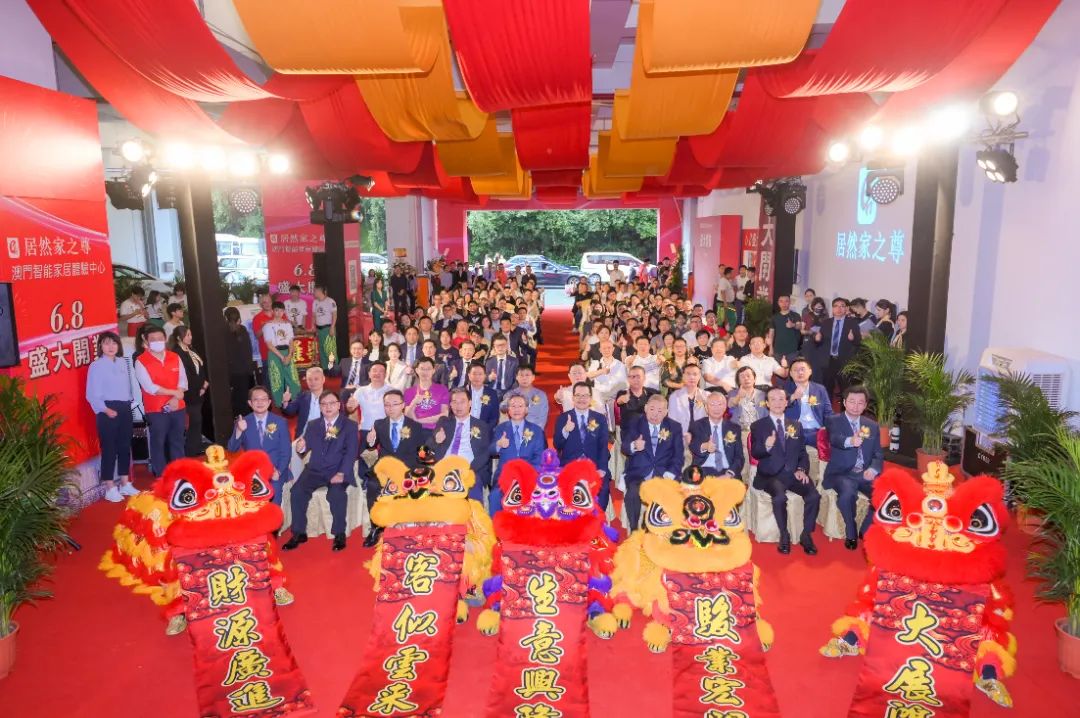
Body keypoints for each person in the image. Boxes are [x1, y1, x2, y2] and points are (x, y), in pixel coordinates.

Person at [282, 392, 359, 552]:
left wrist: (342, 473)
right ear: (320, 407)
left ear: (339, 405)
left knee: (336, 494)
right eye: (324, 404)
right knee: (297, 492)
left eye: (331, 403)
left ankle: (339, 534)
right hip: (315, 469)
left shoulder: (349, 425)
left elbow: (351, 453)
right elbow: (305, 447)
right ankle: (299, 533)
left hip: (337, 470)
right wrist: (301, 447)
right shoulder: (313, 424)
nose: (328, 407)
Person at [750, 387, 820, 556]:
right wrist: (767, 445)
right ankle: (784, 535)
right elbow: (756, 453)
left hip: (793, 473)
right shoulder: (758, 426)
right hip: (770, 475)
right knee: (780, 497)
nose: (777, 403)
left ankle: (806, 535)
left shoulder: (796, 425)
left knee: (814, 496)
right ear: (767, 403)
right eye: (773, 399)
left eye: (781, 399)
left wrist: (801, 469)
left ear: (787, 402)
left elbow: (802, 452)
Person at [366, 389, 429, 546]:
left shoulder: (415, 426)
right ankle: (376, 527)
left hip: (407, 469)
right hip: (385, 469)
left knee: (416, 487)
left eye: (394, 404)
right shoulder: (379, 424)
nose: (390, 408)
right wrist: (370, 441)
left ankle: (409, 528)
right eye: (387, 405)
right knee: (373, 486)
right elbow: (371, 446)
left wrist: (419, 469)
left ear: (403, 405)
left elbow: (421, 452)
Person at [823, 386, 884, 550]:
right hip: (841, 473)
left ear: (865, 405)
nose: (856, 406)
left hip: (864, 473)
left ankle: (865, 528)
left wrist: (873, 469)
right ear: (844, 402)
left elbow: (878, 454)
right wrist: (851, 441)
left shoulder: (872, 425)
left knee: (885, 494)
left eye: (860, 403)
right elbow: (835, 438)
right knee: (847, 494)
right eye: (852, 401)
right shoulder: (833, 420)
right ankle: (851, 531)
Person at [85, 331, 137, 502]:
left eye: (114, 343)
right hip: (107, 409)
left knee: (124, 447)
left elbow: (127, 386)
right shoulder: (96, 366)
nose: (111, 347)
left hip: (125, 407)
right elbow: (91, 393)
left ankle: (125, 483)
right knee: (109, 449)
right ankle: (109, 487)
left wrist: (130, 402)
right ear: (100, 346)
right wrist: (106, 409)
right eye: (106, 343)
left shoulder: (122, 362)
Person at [621, 394, 684, 529]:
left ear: (666, 412)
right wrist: (634, 445)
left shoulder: (674, 427)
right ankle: (634, 529)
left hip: (664, 474)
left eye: (660, 411)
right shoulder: (635, 422)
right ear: (645, 408)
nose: (655, 414)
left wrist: (669, 474)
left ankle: (656, 528)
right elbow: (624, 447)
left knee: (671, 494)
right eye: (652, 409)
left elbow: (678, 457)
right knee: (632, 493)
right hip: (638, 474)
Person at [134, 325, 186, 476]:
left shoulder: (174, 357)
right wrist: (174, 393)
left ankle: (180, 474)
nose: (157, 341)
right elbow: (150, 387)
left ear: (165, 339)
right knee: (158, 443)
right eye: (153, 339)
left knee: (177, 441)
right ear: (146, 341)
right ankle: (162, 477)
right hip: (156, 410)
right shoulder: (141, 361)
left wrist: (176, 397)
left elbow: (183, 380)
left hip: (178, 407)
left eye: (160, 338)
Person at [226, 386, 291, 504]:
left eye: (263, 399)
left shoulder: (280, 422)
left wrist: (279, 472)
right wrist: (239, 430)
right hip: (253, 472)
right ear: (250, 403)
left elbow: (286, 451)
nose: (260, 402)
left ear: (269, 402)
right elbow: (232, 449)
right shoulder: (243, 422)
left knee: (274, 499)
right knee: (252, 504)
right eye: (256, 399)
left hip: (275, 470)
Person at [554, 383, 612, 508]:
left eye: (585, 396)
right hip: (570, 465)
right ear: (573, 398)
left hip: (594, 465)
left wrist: (601, 469)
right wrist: (565, 430)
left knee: (603, 489)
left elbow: (603, 446)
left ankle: (596, 517)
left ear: (591, 398)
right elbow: (557, 444)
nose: (581, 399)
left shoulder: (600, 418)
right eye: (578, 395)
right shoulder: (563, 418)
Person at [433, 387, 492, 504]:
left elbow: (485, 454)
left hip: (469, 470)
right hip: (444, 468)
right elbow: (429, 446)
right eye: (454, 402)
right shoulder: (444, 422)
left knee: (472, 502)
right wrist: (436, 440)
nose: (458, 406)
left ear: (470, 403)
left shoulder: (481, 426)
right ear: (450, 405)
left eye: (462, 402)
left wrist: (467, 469)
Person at [490, 393, 546, 514]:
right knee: (494, 496)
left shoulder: (536, 430)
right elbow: (490, 450)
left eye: (520, 406)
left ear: (526, 409)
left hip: (529, 476)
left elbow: (539, 458)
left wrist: (526, 474)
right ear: (508, 410)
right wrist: (498, 444)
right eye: (513, 406)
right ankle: (497, 525)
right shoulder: (500, 429)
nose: (516, 409)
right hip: (504, 476)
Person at [170, 326, 208, 457]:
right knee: (193, 421)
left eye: (190, 334)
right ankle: (191, 450)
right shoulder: (177, 353)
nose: (190, 337)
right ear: (179, 338)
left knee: (197, 420)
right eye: (187, 335)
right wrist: (199, 387)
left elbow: (200, 368)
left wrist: (204, 384)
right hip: (189, 392)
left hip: (199, 391)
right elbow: (185, 375)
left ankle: (195, 446)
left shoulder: (191, 350)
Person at [688, 391, 744, 479]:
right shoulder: (697, 425)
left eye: (720, 404)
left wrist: (730, 474)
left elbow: (739, 457)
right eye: (712, 405)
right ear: (706, 408)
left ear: (725, 407)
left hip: (728, 472)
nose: (716, 408)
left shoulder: (734, 428)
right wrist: (705, 446)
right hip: (703, 471)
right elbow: (693, 445)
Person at [814, 297, 863, 397]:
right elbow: (819, 343)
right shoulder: (826, 323)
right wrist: (817, 340)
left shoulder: (852, 323)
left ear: (846, 309)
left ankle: (844, 407)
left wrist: (853, 338)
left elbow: (858, 342)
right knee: (827, 389)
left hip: (845, 362)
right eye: (836, 306)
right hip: (828, 361)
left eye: (842, 306)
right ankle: (827, 407)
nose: (839, 309)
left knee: (845, 389)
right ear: (832, 309)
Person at [783, 357, 834, 446]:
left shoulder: (820, 389)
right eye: (796, 370)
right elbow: (777, 408)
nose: (800, 372)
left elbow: (828, 412)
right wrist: (793, 397)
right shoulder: (784, 390)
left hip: (817, 431)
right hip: (794, 432)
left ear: (810, 371)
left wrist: (829, 428)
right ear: (790, 373)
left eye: (803, 369)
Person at [262, 301, 302, 406]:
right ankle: (279, 403)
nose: (279, 313)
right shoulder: (268, 325)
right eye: (276, 310)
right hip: (274, 353)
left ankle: (296, 400)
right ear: (272, 311)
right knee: (277, 379)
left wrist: (289, 355)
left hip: (287, 352)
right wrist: (281, 357)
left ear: (284, 311)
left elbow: (291, 341)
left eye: (281, 310)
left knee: (293, 377)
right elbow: (269, 344)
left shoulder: (287, 325)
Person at [404, 357, 450, 430]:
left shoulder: (442, 390)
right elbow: (407, 415)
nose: (425, 372)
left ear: (433, 370)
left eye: (428, 369)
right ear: (417, 370)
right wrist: (414, 402)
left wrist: (419, 421)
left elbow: (445, 414)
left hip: (435, 430)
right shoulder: (409, 392)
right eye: (422, 369)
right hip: (415, 429)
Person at [224, 307, 255, 417]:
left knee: (234, 397)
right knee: (243, 397)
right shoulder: (242, 330)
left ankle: (235, 419)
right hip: (244, 370)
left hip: (230, 371)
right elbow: (248, 351)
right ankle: (244, 419)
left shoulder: (222, 331)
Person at [282, 367, 328, 439]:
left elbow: (337, 422)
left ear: (323, 379)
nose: (313, 382)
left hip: (323, 437)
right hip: (303, 436)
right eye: (309, 379)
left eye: (316, 379)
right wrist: (285, 402)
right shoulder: (303, 396)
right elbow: (290, 411)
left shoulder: (330, 398)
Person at [505, 365, 548, 429]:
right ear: (516, 377)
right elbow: (505, 417)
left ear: (533, 377)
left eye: (527, 375)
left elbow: (542, 419)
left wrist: (535, 432)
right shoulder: (509, 395)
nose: (524, 378)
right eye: (521, 375)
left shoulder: (541, 395)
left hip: (534, 430)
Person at [768, 295, 803, 364]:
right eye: (781, 301)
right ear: (778, 303)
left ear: (790, 302)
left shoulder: (796, 315)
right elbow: (771, 334)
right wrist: (770, 348)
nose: (784, 304)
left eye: (786, 301)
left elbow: (799, 326)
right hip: (777, 351)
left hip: (792, 351)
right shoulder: (774, 317)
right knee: (777, 369)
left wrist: (793, 325)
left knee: (792, 369)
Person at [250, 291, 275, 385]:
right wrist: (264, 326)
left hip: (282, 352)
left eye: (269, 302)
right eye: (264, 302)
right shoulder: (257, 318)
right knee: (268, 381)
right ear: (261, 305)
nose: (267, 304)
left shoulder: (279, 314)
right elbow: (257, 335)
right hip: (267, 353)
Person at [466, 362, 501, 427]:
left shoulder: (492, 394)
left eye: (480, 374)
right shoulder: (463, 392)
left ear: (485, 376)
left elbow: (494, 418)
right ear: (469, 375)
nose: (477, 377)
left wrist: (485, 430)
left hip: (484, 429)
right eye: (474, 374)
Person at [312, 284, 337, 371]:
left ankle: (333, 368)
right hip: (319, 329)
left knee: (330, 348)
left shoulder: (330, 301)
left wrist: (332, 327)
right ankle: (325, 368)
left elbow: (334, 315)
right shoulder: (315, 302)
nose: (314, 292)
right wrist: (313, 326)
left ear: (320, 291)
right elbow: (314, 315)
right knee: (321, 349)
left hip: (328, 328)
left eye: (315, 291)